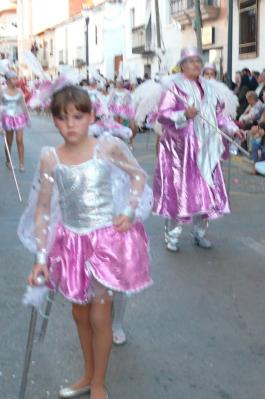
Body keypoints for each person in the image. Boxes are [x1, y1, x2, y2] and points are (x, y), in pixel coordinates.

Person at [18, 85, 152, 399]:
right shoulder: (51, 159)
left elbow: (138, 176)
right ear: (54, 121)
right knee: (79, 313)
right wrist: (41, 258)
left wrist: (130, 209)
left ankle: (98, 383)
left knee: (99, 313)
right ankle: (88, 373)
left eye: (78, 117)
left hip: (106, 241)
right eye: (63, 118)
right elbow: (43, 208)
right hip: (72, 244)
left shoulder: (106, 148)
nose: (71, 124)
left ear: (91, 116)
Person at [153, 46, 239, 252]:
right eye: (190, 61)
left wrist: (233, 129)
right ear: (182, 65)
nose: (195, 65)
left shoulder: (210, 88)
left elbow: (219, 115)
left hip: (207, 148)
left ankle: (200, 233)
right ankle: (172, 236)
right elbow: (163, 115)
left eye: (198, 61)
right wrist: (184, 115)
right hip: (182, 150)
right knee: (180, 191)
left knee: (206, 191)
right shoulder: (174, 88)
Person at [1, 70, 30, 171]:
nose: (16, 80)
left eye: (16, 78)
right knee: (9, 142)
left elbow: (23, 104)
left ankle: (21, 164)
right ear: (8, 80)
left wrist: (27, 117)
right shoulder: (2, 91)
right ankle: (8, 161)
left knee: (19, 140)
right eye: (14, 78)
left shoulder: (19, 91)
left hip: (18, 118)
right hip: (7, 118)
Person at [107, 79, 137, 148]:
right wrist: (108, 109)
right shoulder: (113, 91)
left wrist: (127, 106)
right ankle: (117, 141)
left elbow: (129, 101)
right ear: (116, 83)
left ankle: (122, 141)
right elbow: (110, 100)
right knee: (116, 125)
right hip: (115, 109)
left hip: (123, 109)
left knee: (121, 124)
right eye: (118, 83)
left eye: (120, 83)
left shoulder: (126, 92)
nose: (119, 84)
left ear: (123, 84)